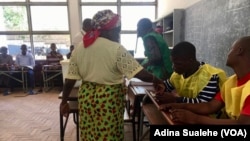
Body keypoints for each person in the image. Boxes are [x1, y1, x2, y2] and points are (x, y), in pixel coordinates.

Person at [60, 9, 164, 141]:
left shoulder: (80, 48)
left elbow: (70, 79)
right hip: (108, 98)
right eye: (118, 29)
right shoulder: (116, 49)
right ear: (109, 29)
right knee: (109, 134)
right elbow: (139, 73)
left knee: (89, 132)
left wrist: (64, 102)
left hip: (86, 96)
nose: (118, 33)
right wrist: (157, 80)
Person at [160, 36, 250, 124]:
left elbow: (242, 123)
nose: (228, 53)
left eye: (231, 49)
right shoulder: (231, 82)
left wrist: (195, 119)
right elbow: (210, 106)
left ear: (239, 51)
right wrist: (178, 105)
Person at [155, 41, 228, 106]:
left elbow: (203, 104)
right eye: (173, 63)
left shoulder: (211, 76)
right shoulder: (178, 74)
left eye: (178, 64)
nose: (173, 67)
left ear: (190, 61)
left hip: (211, 118)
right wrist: (162, 88)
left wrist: (176, 99)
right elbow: (167, 86)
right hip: (189, 113)